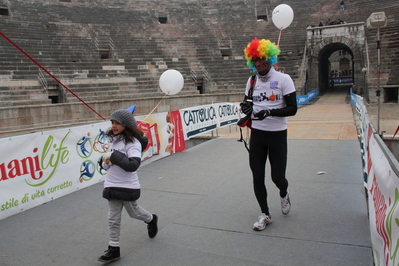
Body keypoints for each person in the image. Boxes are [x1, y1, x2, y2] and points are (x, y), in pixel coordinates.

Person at [240, 38, 297, 231]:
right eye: (254, 60)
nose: (258, 64)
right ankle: (265, 214)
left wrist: (270, 112)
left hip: (277, 134)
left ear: (270, 59)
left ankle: (284, 192)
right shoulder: (252, 80)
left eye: (261, 60)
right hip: (257, 135)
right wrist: (245, 108)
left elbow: (292, 109)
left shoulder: (283, 79)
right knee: (257, 175)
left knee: (277, 177)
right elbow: (246, 102)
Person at [98, 109, 158, 263]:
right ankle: (114, 248)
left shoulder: (133, 143)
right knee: (113, 218)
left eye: (117, 122)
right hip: (112, 183)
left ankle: (151, 219)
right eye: (112, 122)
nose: (114, 125)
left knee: (134, 213)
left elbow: (132, 165)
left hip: (127, 186)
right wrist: (104, 162)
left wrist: (113, 156)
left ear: (126, 124)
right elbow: (109, 163)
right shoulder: (113, 140)